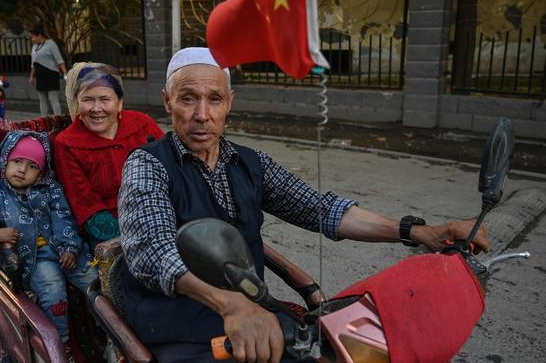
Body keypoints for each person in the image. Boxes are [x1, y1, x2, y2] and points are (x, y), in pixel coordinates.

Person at [117, 47, 491, 363]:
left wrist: (416, 230)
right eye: (187, 98)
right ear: (167, 102)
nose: (202, 114)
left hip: (253, 313)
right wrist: (231, 306)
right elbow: (154, 252)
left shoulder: (250, 162)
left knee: (363, 344)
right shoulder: (148, 164)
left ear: (229, 103)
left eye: (214, 98)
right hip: (177, 322)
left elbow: (321, 209)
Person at [0, 131, 97, 361]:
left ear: (41, 172)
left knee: (96, 283)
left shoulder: (50, 189)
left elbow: (65, 218)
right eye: (16, 162)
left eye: (31, 166)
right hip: (35, 260)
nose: (22, 169)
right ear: (5, 161)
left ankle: (106, 334)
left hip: (67, 252)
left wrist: (70, 247)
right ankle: (60, 348)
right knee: (53, 290)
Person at [54, 62, 164, 252]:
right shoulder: (66, 143)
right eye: (88, 99)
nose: (97, 108)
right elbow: (85, 204)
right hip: (111, 232)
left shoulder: (142, 123)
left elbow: (170, 168)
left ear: (119, 102)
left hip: (160, 213)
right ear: (77, 103)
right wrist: (136, 235)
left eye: (105, 99)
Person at [29, 24, 68, 116]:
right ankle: (43, 119)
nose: (32, 40)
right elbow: (33, 63)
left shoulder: (50, 44)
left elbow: (59, 60)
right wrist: (31, 76)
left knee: (53, 98)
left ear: (39, 35)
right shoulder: (34, 47)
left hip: (51, 74)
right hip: (40, 75)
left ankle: (58, 119)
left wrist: (65, 74)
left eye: (33, 37)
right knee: (42, 98)